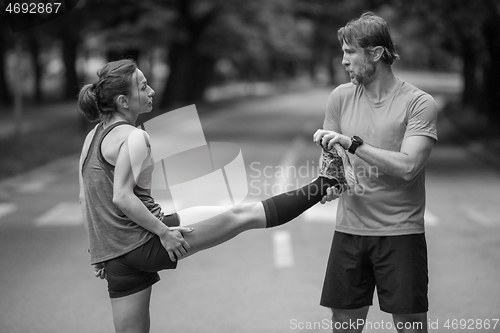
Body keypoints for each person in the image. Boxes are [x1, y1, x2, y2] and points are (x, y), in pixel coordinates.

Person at [78, 59, 352, 333]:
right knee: (242, 215)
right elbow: (122, 198)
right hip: (150, 238)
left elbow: (85, 197)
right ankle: (326, 181)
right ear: (124, 101)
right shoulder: (134, 137)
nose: (151, 90)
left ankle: (326, 181)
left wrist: (100, 252)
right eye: (143, 86)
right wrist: (164, 233)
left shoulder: (93, 137)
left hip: (116, 255)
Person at [313, 12, 438, 333]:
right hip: (349, 231)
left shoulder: (418, 104)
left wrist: (353, 145)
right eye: (343, 52)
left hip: (401, 233)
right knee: (344, 325)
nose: (343, 61)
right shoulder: (340, 97)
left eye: (350, 52)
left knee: (410, 327)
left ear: (376, 54)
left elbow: (409, 166)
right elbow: (332, 159)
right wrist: (332, 179)